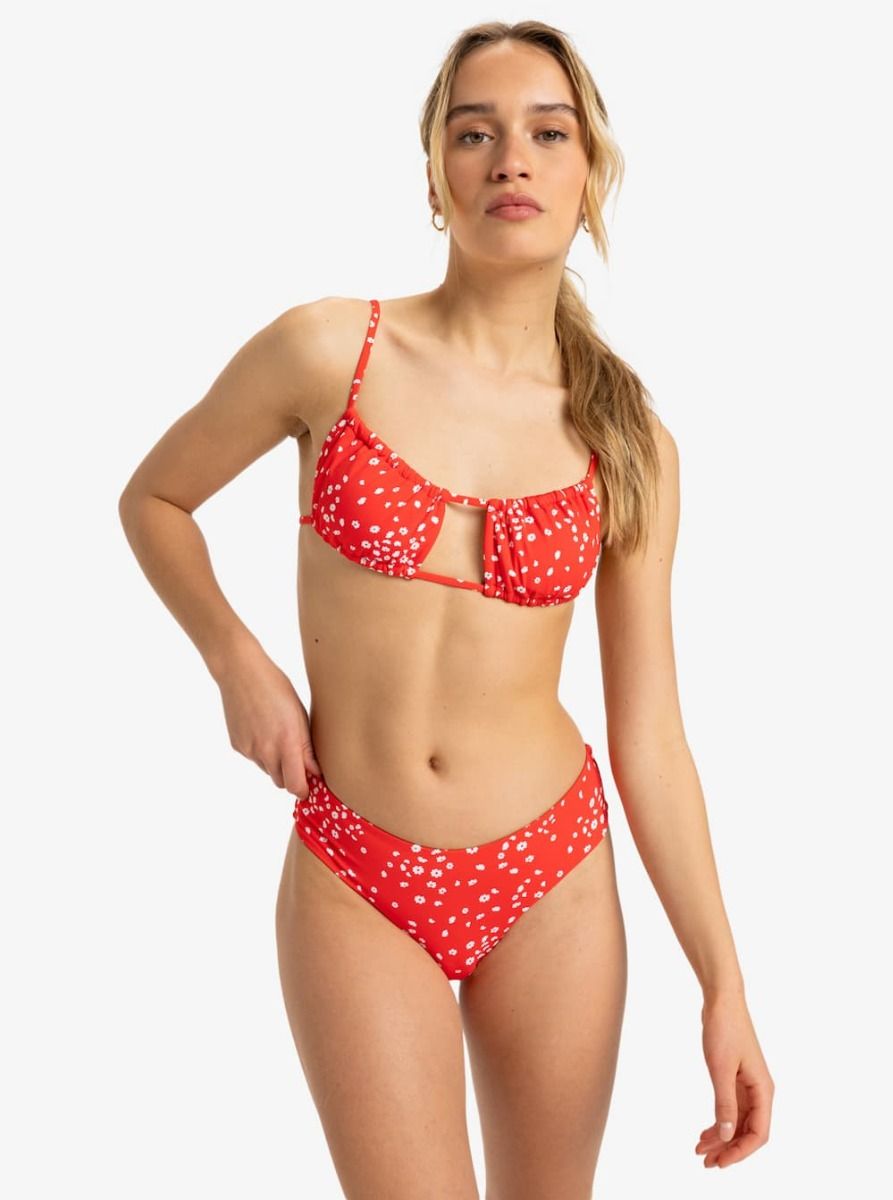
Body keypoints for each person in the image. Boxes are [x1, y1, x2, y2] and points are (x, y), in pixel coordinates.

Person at [118, 18, 774, 1199]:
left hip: (551, 876)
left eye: (546, 134)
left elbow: (651, 737)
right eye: (474, 134)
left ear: (589, 175)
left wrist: (721, 984)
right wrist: (236, 660)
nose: (509, 158)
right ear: (434, 177)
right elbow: (155, 500)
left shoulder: (629, 443)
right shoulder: (330, 351)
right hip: (357, 870)